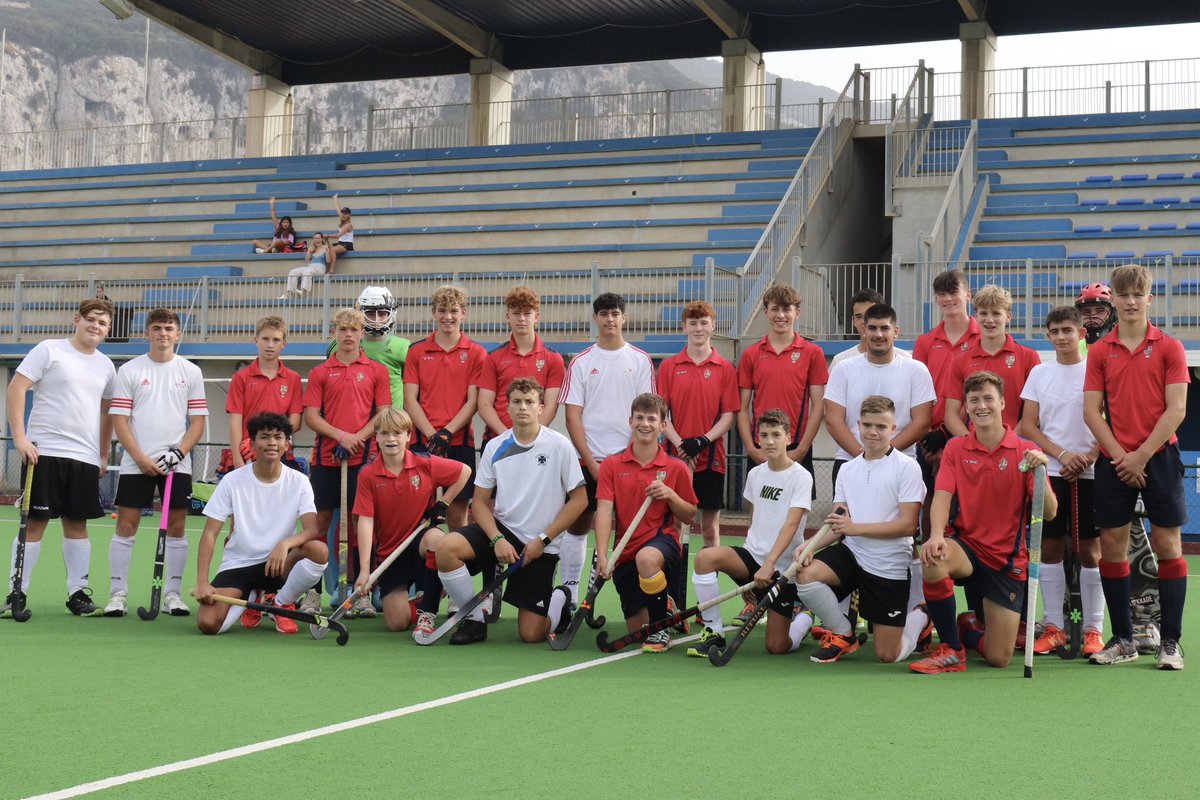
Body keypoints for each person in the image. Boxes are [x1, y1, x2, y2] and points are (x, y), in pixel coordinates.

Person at [910, 371, 1056, 674]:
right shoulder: (955, 448)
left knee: (998, 658)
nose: (981, 406)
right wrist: (935, 534)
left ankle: (966, 628)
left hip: (1007, 559)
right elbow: (942, 496)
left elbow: (1050, 512)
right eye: (974, 400)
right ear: (966, 405)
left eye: (988, 398)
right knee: (933, 558)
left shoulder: (1026, 452)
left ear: (1002, 403)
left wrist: (1041, 472)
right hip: (968, 547)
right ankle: (951, 648)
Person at [1083, 264, 1189, 670]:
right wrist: (1120, 456)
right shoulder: (1098, 351)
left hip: (1158, 457)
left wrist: (1141, 455)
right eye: (1122, 294)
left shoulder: (1169, 347)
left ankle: (1171, 642)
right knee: (1111, 547)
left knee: (1167, 547)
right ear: (1113, 298)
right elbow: (1092, 413)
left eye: (1136, 294)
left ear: (1149, 299)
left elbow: (1176, 410)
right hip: (1115, 459)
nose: (1129, 301)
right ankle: (1124, 640)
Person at [434, 378, 588, 645]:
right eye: (517, 401)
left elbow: (580, 500)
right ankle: (473, 620)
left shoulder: (560, 445)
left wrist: (543, 539)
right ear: (508, 406)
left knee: (531, 635)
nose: (523, 408)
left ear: (541, 407)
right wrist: (496, 538)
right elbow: (480, 503)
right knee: (447, 547)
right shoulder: (495, 447)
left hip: (542, 542)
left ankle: (560, 600)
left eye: (529, 402)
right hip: (503, 531)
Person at [2, 298, 116, 619]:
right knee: (35, 523)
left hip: (84, 457)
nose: (96, 326)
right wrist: (20, 437)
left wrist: (104, 453)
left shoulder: (106, 366)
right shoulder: (49, 349)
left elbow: (108, 412)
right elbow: (16, 388)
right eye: (91, 320)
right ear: (76, 319)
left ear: (108, 330)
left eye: (103, 323)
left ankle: (77, 595)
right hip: (44, 452)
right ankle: (16, 594)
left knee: (77, 524)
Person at [796, 396, 930, 664]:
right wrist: (810, 545)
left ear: (893, 429)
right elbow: (839, 523)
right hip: (852, 554)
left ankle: (921, 617)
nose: (872, 432)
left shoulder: (907, 468)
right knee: (806, 574)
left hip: (888, 563)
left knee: (887, 655)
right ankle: (844, 634)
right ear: (858, 425)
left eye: (881, 426)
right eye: (867, 425)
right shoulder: (847, 469)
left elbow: (907, 525)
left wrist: (854, 528)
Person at [106, 308, 208, 618]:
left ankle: (173, 595)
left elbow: (197, 422)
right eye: (157, 328)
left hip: (177, 464)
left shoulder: (190, 371)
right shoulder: (131, 370)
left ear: (177, 335)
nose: (163, 333)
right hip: (137, 462)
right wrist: (139, 457)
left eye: (168, 328)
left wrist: (176, 455)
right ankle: (118, 594)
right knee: (126, 525)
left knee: (177, 527)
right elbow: (120, 420)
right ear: (147, 334)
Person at [1076, 282, 1160, 654]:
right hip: (1078, 465)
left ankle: (1146, 624)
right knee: (1088, 551)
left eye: (1099, 308)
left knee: (1135, 547)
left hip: (1119, 461)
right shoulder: (1077, 348)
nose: (1092, 315)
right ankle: (1082, 626)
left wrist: (1116, 455)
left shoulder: (1123, 346)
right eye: (1086, 309)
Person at [688, 409, 814, 658]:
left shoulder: (801, 477)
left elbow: (791, 525)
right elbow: (755, 520)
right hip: (753, 560)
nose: (769, 441)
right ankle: (714, 631)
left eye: (776, 435)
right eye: (764, 435)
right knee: (705, 557)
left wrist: (768, 565)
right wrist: (748, 575)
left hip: (782, 570)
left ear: (788, 438)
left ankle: (805, 619)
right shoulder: (755, 474)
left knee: (777, 647)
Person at [735, 283, 827, 623]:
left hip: (796, 446)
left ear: (796, 313)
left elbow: (818, 404)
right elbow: (742, 407)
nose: (780, 314)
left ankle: (793, 590)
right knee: (759, 513)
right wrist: (749, 444)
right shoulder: (750, 354)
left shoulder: (812, 353)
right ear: (766, 312)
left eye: (787, 309)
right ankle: (754, 591)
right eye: (774, 308)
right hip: (760, 448)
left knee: (797, 519)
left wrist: (802, 444)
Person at [1018, 306, 1105, 657]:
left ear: (1081, 333)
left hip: (1092, 472)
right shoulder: (1040, 373)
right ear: (1048, 335)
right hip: (1051, 472)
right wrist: (1062, 455)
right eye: (1054, 331)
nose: (1061, 337)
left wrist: (1090, 456)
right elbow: (1028, 426)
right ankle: (1053, 625)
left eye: (1068, 330)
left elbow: (1109, 420)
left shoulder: (1096, 369)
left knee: (1091, 551)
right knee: (1050, 548)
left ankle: (1093, 631)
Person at [560, 292, 656, 609]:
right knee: (578, 526)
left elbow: (645, 414)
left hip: (629, 462)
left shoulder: (640, 361)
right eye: (604, 314)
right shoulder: (582, 362)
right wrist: (592, 462)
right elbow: (572, 416)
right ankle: (571, 593)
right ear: (596, 319)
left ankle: (646, 600)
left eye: (615, 313)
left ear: (623, 318)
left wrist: (623, 461)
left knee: (634, 529)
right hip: (588, 461)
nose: (610, 319)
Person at [192, 413, 327, 636]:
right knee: (208, 624)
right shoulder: (232, 480)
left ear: (287, 444)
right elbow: (210, 534)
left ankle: (281, 603)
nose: (272, 442)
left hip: (278, 564)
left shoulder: (299, 481)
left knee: (318, 550)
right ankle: (253, 594)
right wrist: (202, 581)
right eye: (264, 437)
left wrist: (284, 544)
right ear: (252, 444)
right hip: (238, 565)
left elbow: (312, 529)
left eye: (278, 437)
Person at [303, 308, 392, 616]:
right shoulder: (320, 372)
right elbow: (312, 416)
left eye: (354, 330)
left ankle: (360, 591)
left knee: (360, 526)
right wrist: (341, 436)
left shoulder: (376, 371)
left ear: (362, 334)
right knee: (319, 525)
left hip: (363, 459)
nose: (348, 335)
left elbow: (383, 412)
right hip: (326, 459)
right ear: (335, 333)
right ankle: (311, 593)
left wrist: (357, 438)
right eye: (343, 330)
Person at [353, 408, 471, 634]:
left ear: (408, 436)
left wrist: (443, 503)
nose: (391, 439)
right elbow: (365, 521)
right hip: (390, 554)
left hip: (420, 540)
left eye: (397, 433)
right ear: (375, 437)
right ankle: (428, 594)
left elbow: (464, 471)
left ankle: (428, 612)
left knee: (437, 540)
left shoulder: (424, 462)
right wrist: (364, 571)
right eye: (385, 433)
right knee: (396, 624)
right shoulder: (367, 475)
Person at [595, 393, 697, 653]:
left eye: (652, 419)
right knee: (639, 632)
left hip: (661, 545)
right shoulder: (611, 465)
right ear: (630, 421)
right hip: (625, 552)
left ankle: (661, 626)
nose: (645, 424)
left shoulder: (676, 468)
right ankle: (667, 608)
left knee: (647, 559)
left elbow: (689, 516)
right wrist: (603, 557)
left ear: (663, 425)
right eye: (639, 417)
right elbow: (604, 513)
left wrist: (671, 495)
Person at [403, 285, 487, 531]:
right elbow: (410, 399)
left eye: (453, 311)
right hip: (422, 439)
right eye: (442, 310)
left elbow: (473, 401)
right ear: (433, 312)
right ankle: (422, 567)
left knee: (458, 511)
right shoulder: (416, 350)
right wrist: (432, 434)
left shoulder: (476, 352)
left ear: (464, 313)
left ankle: (454, 568)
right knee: (419, 509)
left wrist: (447, 432)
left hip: (459, 440)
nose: (447, 316)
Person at [657, 300, 739, 549]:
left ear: (713, 326)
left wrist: (702, 441)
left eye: (704, 323)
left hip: (711, 459)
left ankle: (708, 587)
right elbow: (662, 414)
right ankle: (672, 585)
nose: (699, 329)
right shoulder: (670, 366)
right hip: (676, 456)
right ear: (684, 327)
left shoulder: (725, 368)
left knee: (710, 530)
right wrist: (681, 444)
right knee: (675, 526)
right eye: (693, 323)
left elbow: (728, 416)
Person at [941, 284, 1040, 437]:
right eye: (983, 313)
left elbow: (1035, 413)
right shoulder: (959, 361)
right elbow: (951, 416)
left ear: (1008, 317)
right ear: (976, 316)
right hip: (974, 450)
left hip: (1016, 446)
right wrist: (971, 443)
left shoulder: (1028, 357)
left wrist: (1010, 443)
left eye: (996, 313)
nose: (989, 320)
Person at [478, 286, 566, 445]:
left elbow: (551, 406)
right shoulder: (493, 357)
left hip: (536, 442)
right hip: (498, 440)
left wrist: (529, 437)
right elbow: (484, 404)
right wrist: (507, 436)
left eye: (527, 313)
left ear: (536, 316)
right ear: (507, 316)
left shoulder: (553, 359)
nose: (522, 319)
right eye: (516, 313)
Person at [224, 316, 303, 475]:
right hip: (248, 453)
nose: (270, 345)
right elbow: (235, 421)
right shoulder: (241, 378)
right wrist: (238, 459)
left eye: (276, 340)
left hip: (279, 452)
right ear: (256, 340)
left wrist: (271, 440)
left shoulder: (293, 378)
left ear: (284, 343)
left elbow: (296, 421)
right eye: (265, 339)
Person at [327, 286, 410, 410]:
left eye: (382, 314)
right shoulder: (337, 345)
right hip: (355, 417)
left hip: (392, 423)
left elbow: (413, 391)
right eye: (370, 313)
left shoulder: (404, 347)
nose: (376, 320)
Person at [831, 288, 912, 367]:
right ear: (853, 321)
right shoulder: (840, 362)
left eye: (869, 315)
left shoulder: (908, 361)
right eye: (859, 316)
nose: (864, 321)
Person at [280, 232, 334, 299]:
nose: (317, 240)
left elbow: (328, 261)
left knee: (307, 271)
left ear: (322, 239)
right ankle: (290, 292)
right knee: (293, 272)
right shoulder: (313, 248)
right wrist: (309, 252)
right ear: (313, 240)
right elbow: (307, 259)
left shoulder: (325, 248)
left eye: (319, 238)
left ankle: (304, 291)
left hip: (320, 267)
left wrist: (327, 251)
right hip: (311, 266)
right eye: (315, 238)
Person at [330, 194, 354, 259]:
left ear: (349, 215)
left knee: (332, 250)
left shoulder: (348, 225)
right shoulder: (342, 218)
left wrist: (327, 235)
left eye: (346, 213)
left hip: (347, 244)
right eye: (343, 213)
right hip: (340, 243)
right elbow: (337, 208)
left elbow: (339, 235)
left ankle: (331, 269)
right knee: (325, 248)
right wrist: (335, 198)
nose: (343, 214)